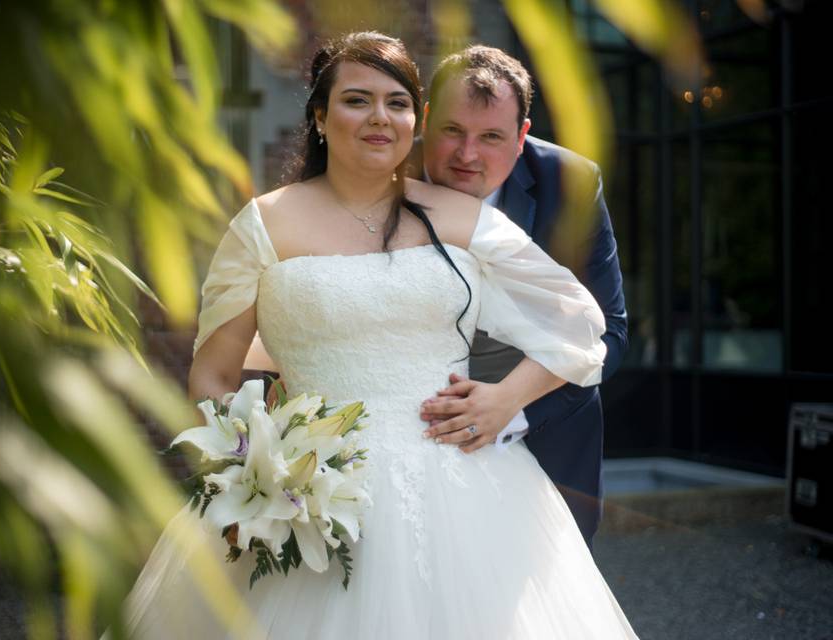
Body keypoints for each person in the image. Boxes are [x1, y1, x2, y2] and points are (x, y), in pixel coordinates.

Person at [115, 32, 637, 638]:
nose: (379, 116)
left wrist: (506, 396)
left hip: (463, 488)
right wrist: (254, 465)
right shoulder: (263, 222)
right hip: (304, 490)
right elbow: (214, 374)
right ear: (318, 115)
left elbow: (579, 321)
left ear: (414, 122)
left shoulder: (462, 218)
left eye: (396, 102)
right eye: (356, 100)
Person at [415, 46, 629, 546]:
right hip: (405, 445)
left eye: (490, 137)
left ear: (521, 137)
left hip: (547, 443)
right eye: (451, 131)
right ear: (426, 119)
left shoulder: (570, 184)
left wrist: (508, 404)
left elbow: (611, 334)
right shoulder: (379, 173)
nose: (467, 155)